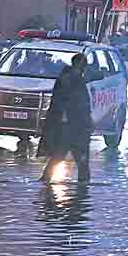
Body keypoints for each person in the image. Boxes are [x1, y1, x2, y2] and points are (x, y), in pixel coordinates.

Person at [40, 53, 93, 183]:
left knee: (60, 156)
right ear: (80, 66)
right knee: (78, 158)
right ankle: (82, 184)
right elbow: (75, 104)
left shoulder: (69, 78)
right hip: (72, 126)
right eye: (83, 66)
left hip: (70, 125)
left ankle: (46, 179)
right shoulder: (72, 80)